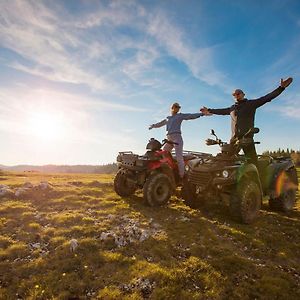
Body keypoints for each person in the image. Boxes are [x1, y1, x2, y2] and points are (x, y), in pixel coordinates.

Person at [201, 77, 293, 164]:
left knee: (252, 162)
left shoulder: (251, 104)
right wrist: (209, 110)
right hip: (234, 140)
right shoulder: (232, 108)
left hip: (247, 139)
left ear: (243, 94)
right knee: (226, 161)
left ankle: (257, 180)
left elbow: (267, 98)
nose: (236, 95)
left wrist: (281, 88)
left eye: (238, 93)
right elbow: (220, 111)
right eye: (234, 94)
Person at [149, 102, 203, 182]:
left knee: (179, 157)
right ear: (172, 108)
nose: (178, 109)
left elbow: (190, 116)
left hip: (177, 138)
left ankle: (182, 175)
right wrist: (153, 126)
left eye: (179, 107)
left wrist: (201, 114)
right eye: (176, 107)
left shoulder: (179, 116)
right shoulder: (168, 118)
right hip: (169, 139)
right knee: (163, 154)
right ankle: (170, 170)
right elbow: (160, 123)